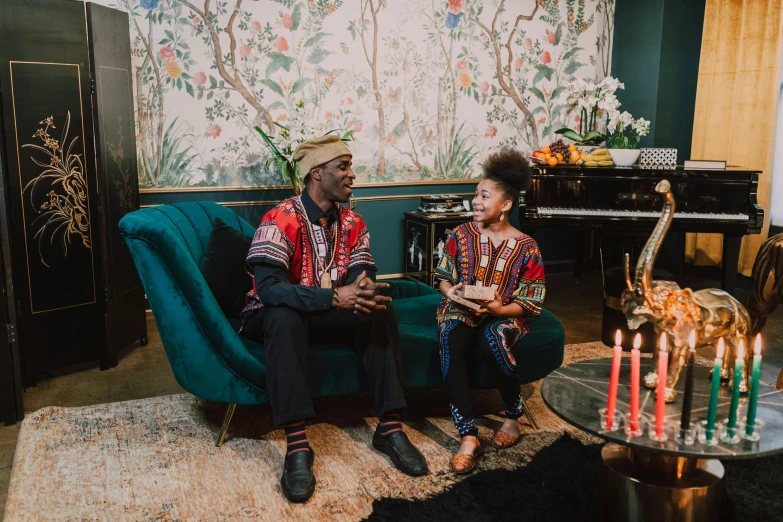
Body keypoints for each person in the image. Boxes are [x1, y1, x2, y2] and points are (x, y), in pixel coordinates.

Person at [240, 135, 428, 503]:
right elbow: (270, 290)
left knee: (378, 310)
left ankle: (389, 427)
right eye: (343, 167)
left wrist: (364, 287)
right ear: (316, 173)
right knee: (283, 316)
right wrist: (332, 296)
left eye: (350, 166)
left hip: (329, 312)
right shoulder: (280, 219)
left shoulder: (353, 221)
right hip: (275, 315)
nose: (352, 174)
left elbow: (361, 270)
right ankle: (297, 446)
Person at [434, 148, 545, 474]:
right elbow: (443, 276)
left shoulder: (527, 247)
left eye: (484, 196)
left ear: (506, 204)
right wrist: (450, 291)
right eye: (475, 195)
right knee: (451, 338)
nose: (476, 202)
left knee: (493, 340)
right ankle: (467, 435)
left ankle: (513, 416)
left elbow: (532, 299)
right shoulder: (460, 234)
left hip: (505, 314)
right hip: (460, 310)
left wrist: (500, 307)